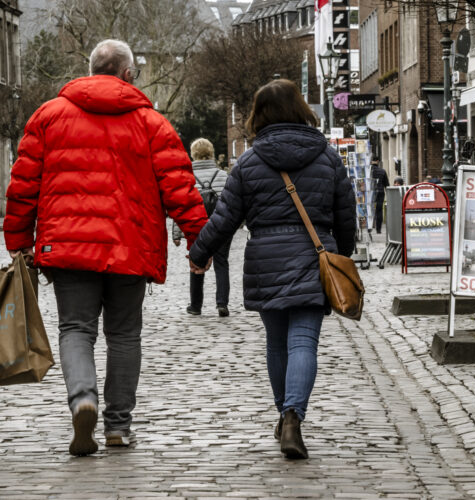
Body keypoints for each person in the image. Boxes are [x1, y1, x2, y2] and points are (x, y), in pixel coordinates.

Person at [3, 39, 208, 456]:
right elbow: (180, 188)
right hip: (130, 247)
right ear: (129, 74)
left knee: (75, 329)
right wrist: (198, 242)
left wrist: (19, 242)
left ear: (91, 70)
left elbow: (22, 186)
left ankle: (83, 399)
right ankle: (118, 426)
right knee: (124, 335)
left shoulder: (48, 116)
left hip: (67, 248)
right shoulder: (152, 123)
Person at [188, 79, 356, 459]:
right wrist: (341, 256)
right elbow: (346, 215)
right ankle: (293, 415)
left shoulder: (249, 162)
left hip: (267, 258)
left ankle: (286, 415)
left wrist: (200, 254)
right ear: (300, 108)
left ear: (259, 115)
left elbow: (224, 219)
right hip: (315, 257)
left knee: (277, 343)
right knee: (304, 343)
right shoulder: (327, 156)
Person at [173, 138, 232, 316]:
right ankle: (222, 303)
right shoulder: (222, 176)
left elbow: (181, 205)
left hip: (197, 227)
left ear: (193, 154)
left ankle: (196, 306)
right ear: (211, 153)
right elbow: (231, 203)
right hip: (220, 226)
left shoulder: (187, 176)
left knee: (196, 262)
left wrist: (177, 233)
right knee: (222, 263)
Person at [370, 160, 389, 234]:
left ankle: (369, 227)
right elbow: (386, 184)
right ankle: (378, 229)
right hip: (380, 192)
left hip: (371, 192)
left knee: (369, 209)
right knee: (379, 210)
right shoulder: (382, 171)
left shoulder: (369, 172)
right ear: (378, 162)